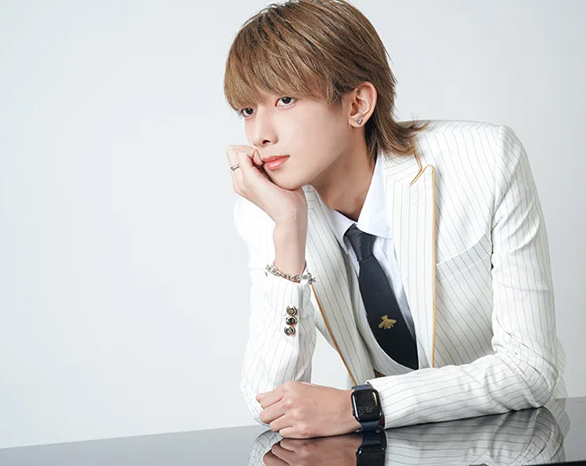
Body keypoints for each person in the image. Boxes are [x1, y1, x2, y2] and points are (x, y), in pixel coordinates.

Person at [223, 0, 567, 439]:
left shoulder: (486, 161)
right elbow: (268, 402)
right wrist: (289, 233)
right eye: (248, 110)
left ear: (357, 104)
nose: (259, 134)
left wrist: (362, 405)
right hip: (393, 449)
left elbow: (531, 368)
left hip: (512, 440)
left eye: (285, 100)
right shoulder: (270, 213)